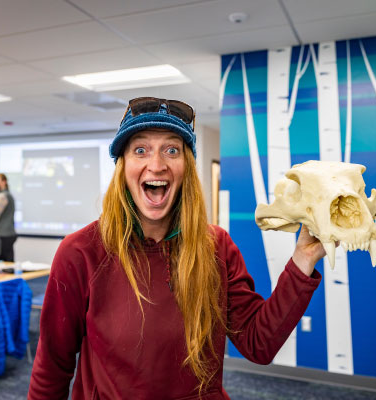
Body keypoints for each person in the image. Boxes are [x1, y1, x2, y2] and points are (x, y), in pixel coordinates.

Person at [28, 97, 327, 400]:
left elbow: (258, 344)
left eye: (172, 150)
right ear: (123, 166)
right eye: (140, 150)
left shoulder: (216, 247)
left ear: (187, 167)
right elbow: (52, 366)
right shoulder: (81, 252)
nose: (156, 165)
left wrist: (303, 259)